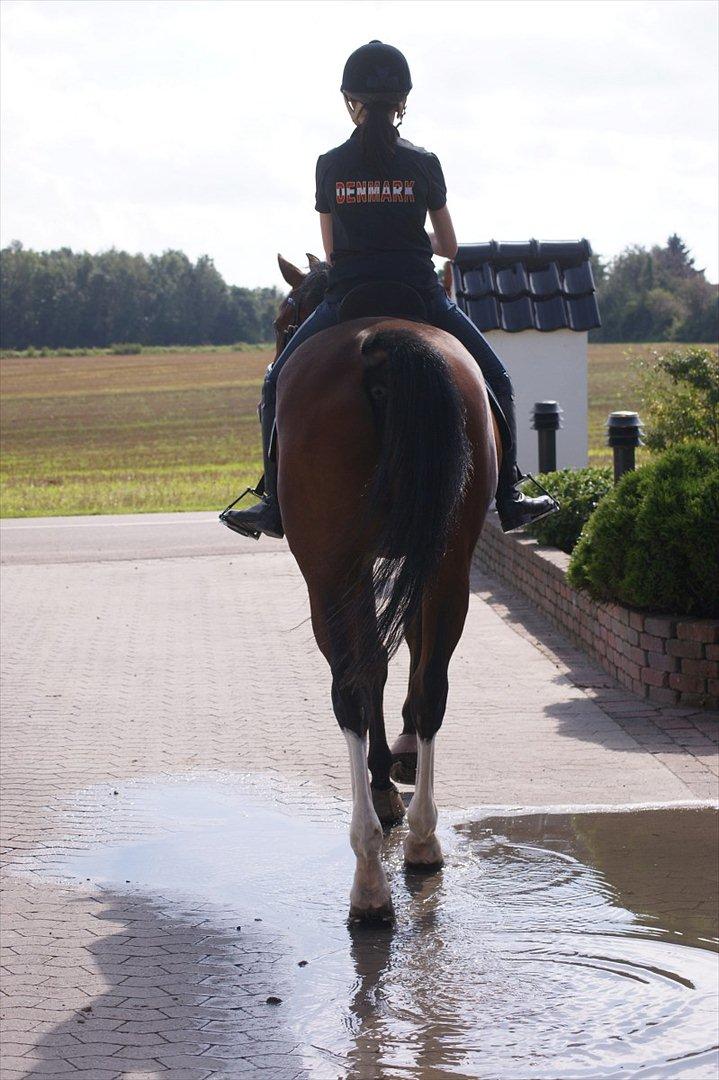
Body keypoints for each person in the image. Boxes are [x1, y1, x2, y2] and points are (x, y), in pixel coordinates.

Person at [223, 40, 558, 540]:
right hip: (420, 297)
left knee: (274, 382)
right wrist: (408, 236)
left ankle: (271, 502)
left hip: (348, 300)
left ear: (350, 101)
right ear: (403, 101)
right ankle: (509, 496)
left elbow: (332, 255)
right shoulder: (424, 162)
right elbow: (448, 247)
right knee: (498, 378)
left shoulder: (330, 164)